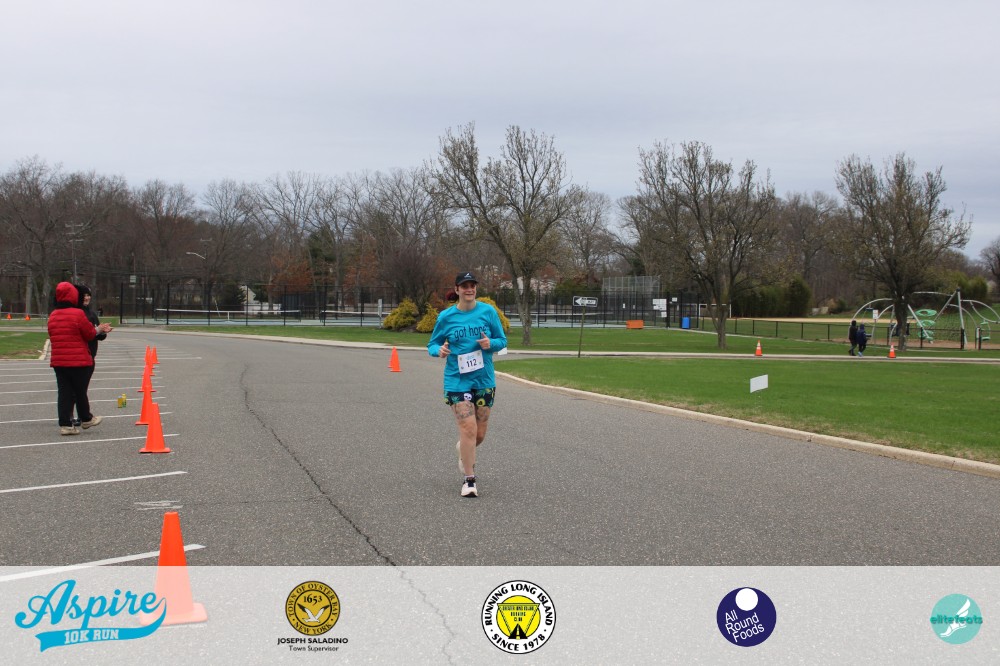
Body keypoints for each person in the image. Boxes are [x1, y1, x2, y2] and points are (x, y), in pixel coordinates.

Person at [427, 271, 508, 498]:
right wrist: (439, 350)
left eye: (472, 285)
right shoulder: (446, 317)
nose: (469, 289)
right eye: (465, 286)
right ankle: (469, 480)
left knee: (479, 434)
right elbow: (432, 344)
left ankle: (463, 449)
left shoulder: (488, 312)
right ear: (457, 289)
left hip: (484, 379)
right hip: (457, 380)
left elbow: (502, 341)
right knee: (468, 429)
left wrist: (490, 344)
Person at [47, 282, 111, 435]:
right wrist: (100, 329)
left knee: (64, 392)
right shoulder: (78, 314)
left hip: (59, 361)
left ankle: (66, 424)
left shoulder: (53, 315)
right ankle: (86, 418)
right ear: (73, 296)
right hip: (78, 360)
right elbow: (89, 334)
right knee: (80, 391)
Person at [72, 284, 111, 426]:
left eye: (88, 295)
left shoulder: (92, 314)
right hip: (79, 356)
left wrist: (103, 331)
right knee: (76, 389)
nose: (86, 298)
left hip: (90, 356)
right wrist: (95, 331)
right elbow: (85, 334)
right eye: (84, 295)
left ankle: (80, 416)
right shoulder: (77, 313)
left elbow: (98, 335)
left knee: (82, 388)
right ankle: (77, 417)